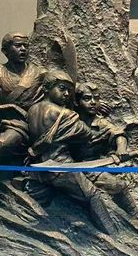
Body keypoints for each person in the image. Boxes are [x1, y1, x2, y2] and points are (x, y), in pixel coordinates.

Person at [26, 71, 117, 234]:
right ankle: (113, 235)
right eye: (62, 88)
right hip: (60, 167)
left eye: (69, 90)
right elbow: (87, 135)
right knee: (92, 195)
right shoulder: (64, 114)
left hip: (38, 168)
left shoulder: (32, 110)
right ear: (46, 88)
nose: (67, 94)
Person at [72, 82, 138, 219]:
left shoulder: (101, 123)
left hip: (91, 168)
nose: (93, 102)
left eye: (96, 98)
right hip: (66, 165)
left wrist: (121, 149)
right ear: (76, 101)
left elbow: (118, 134)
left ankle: (137, 219)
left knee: (119, 185)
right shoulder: (68, 118)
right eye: (87, 99)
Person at [0, 33, 46, 169]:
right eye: (18, 45)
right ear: (5, 50)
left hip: (34, 124)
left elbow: (59, 87)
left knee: (2, 144)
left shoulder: (39, 73)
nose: (23, 49)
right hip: (9, 123)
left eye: (26, 46)